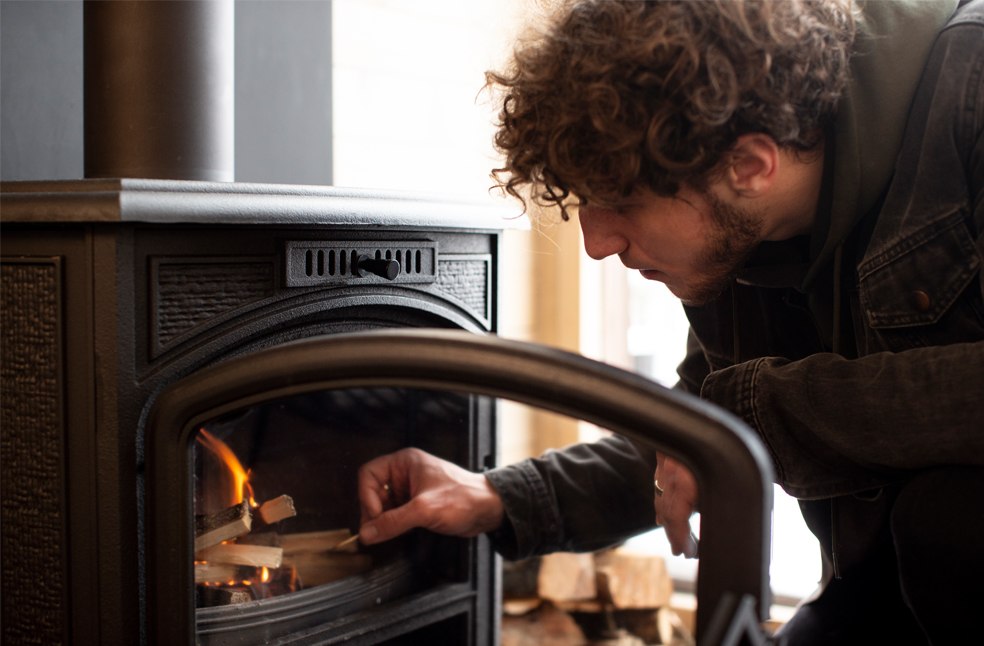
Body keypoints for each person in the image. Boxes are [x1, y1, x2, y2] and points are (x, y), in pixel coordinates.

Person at [356, 1, 984, 643]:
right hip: (884, 594)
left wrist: (761, 415)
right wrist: (496, 498)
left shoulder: (973, 86)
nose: (595, 244)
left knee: (946, 516)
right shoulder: (742, 234)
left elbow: (746, 417)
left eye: (622, 202)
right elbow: (692, 436)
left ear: (750, 166)